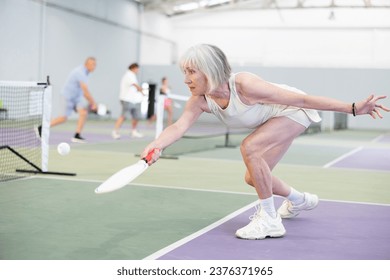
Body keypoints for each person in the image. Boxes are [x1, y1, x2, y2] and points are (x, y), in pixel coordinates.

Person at [141, 44, 389, 240]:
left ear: (210, 70)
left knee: (251, 147)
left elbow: (302, 101)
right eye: (184, 72)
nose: (186, 79)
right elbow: (179, 126)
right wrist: (157, 145)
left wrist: (353, 108)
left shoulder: (245, 86)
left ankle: (270, 220)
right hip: (272, 121)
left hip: (293, 112)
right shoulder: (200, 100)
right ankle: (299, 200)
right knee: (254, 177)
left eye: (191, 71)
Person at [50, 57, 97, 143]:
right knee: (63, 118)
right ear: (86, 64)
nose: (94, 66)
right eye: (92, 64)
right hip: (67, 96)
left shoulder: (87, 73)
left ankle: (77, 135)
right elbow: (85, 90)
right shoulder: (80, 72)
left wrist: (91, 102)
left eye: (95, 64)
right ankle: (42, 127)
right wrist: (93, 103)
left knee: (83, 113)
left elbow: (83, 91)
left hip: (76, 98)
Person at [112, 63, 145, 139]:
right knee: (123, 116)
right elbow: (135, 85)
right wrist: (141, 89)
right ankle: (115, 131)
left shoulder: (133, 75)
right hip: (127, 99)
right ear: (133, 68)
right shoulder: (129, 75)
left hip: (135, 100)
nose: (138, 70)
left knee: (136, 117)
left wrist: (142, 93)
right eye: (137, 69)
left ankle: (134, 131)